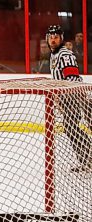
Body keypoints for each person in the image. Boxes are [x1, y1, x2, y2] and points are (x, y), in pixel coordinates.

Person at [46, 25, 91, 172]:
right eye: (51, 37)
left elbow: (72, 78)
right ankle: (87, 159)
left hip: (72, 96)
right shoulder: (53, 55)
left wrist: (64, 97)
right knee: (70, 128)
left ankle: (88, 157)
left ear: (61, 39)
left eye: (56, 37)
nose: (53, 40)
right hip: (66, 97)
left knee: (71, 127)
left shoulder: (65, 55)